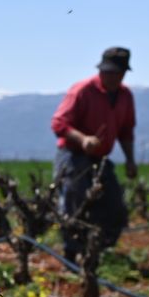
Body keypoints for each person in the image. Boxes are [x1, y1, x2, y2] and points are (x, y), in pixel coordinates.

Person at [50, 46, 138, 263]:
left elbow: (126, 131)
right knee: (74, 203)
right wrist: (83, 139)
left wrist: (130, 159)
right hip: (72, 154)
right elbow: (59, 123)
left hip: (101, 158)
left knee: (114, 205)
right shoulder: (82, 90)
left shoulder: (125, 95)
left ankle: (99, 251)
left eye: (116, 72)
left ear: (124, 73)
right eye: (107, 71)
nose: (111, 76)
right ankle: (71, 255)